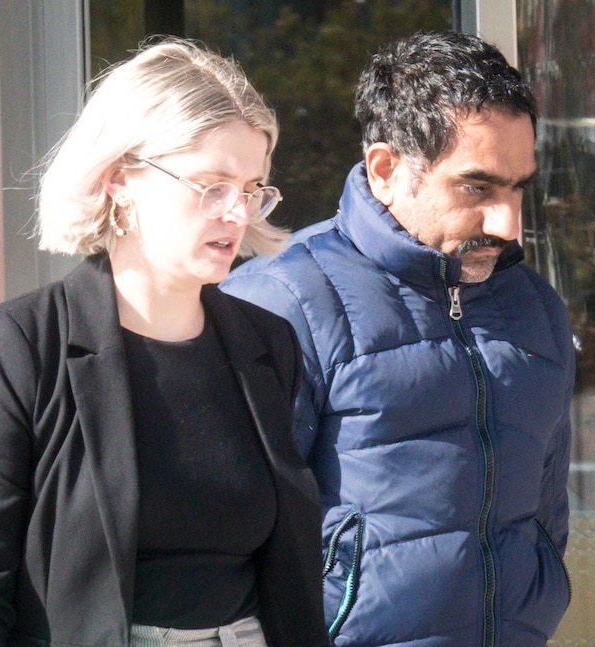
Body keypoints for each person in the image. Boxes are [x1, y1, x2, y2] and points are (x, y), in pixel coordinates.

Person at [0, 38, 329, 647]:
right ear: (120, 180)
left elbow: (289, 576)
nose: (236, 212)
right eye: (211, 184)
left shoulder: (268, 344)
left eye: (251, 187)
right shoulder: (19, 346)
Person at [221, 30, 575, 646]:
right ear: (386, 169)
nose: (509, 223)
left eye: (518, 187)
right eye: (477, 187)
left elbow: (545, 511)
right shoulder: (283, 302)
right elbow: (231, 543)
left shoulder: (534, 308)